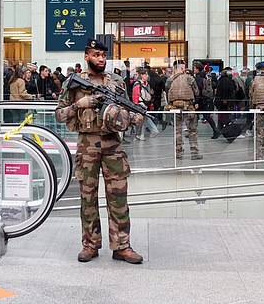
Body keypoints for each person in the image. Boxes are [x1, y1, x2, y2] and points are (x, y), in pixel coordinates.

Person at [55, 38, 144, 264]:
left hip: (113, 144)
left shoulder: (116, 82)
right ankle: (90, 244)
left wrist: (134, 118)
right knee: (88, 197)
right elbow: (59, 114)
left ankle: (121, 246)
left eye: (103, 55)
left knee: (119, 198)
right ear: (86, 56)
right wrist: (79, 105)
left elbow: (125, 111)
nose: (101, 59)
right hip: (87, 145)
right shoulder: (74, 83)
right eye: (96, 55)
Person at [166, 60, 201, 160]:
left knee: (177, 131)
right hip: (188, 107)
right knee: (192, 130)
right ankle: (194, 152)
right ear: (182, 68)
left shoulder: (170, 80)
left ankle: (179, 153)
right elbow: (196, 92)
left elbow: (167, 91)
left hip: (174, 108)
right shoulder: (190, 78)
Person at [193, 62, 220, 139]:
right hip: (205, 99)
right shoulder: (205, 76)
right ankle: (215, 130)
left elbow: (197, 91)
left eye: (194, 68)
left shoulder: (198, 78)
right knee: (206, 116)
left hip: (200, 100)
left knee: (195, 116)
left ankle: (192, 132)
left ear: (197, 69)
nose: (194, 70)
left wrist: (196, 102)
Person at [132, 68, 159, 141]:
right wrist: (136, 105)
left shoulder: (147, 84)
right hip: (140, 106)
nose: (147, 76)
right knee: (143, 119)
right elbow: (135, 96)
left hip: (145, 105)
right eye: (145, 74)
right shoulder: (138, 84)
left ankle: (140, 135)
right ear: (142, 75)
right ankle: (151, 131)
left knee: (143, 120)